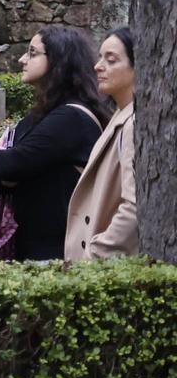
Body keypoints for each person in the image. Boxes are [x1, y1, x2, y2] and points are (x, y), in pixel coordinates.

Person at [0, 27, 108, 261]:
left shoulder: (70, 118)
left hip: (56, 253)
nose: (21, 59)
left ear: (58, 60)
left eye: (33, 53)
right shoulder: (44, 115)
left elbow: (6, 166)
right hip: (35, 248)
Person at [64, 27, 138, 264]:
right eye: (100, 57)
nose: (97, 66)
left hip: (102, 267)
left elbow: (134, 207)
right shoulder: (120, 116)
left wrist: (94, 255)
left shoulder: (133, 123)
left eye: (111, 59)